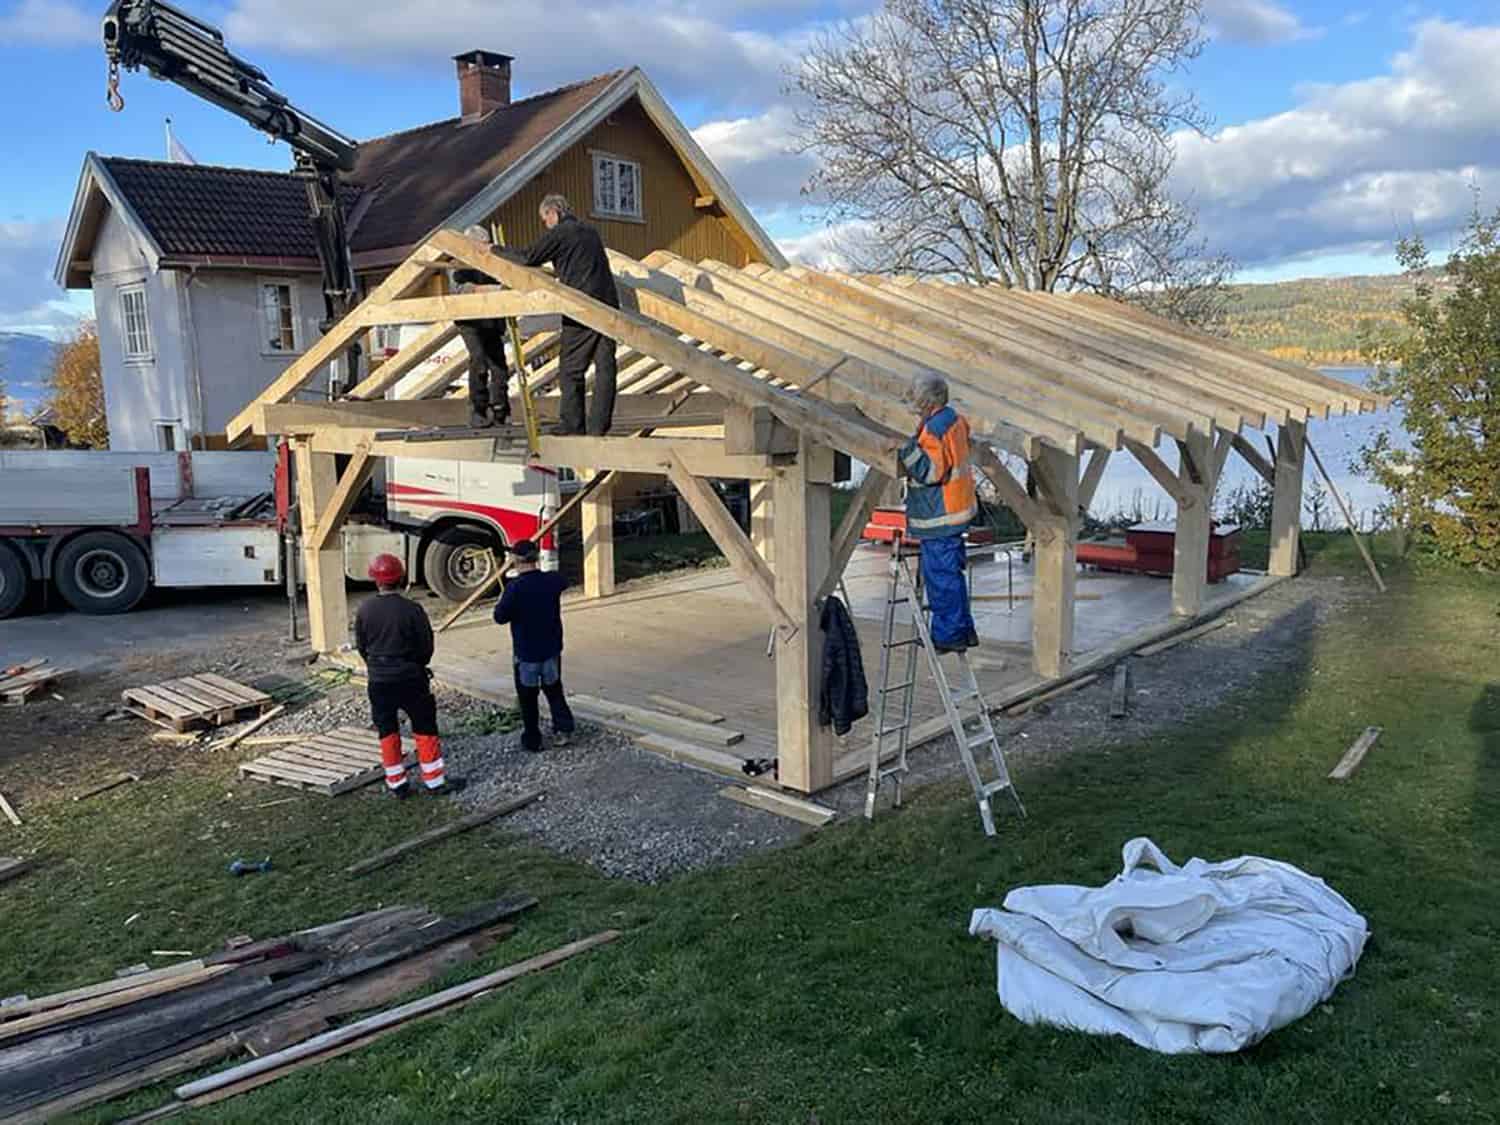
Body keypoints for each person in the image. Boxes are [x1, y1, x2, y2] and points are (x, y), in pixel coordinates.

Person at [505, 194, 619, 436]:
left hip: (581, 306)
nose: (545, 224)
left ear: (554, 213)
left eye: (545, 219)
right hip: (608, 305)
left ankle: (572, 425)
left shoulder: (561, 232)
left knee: (570, 370)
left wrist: (493, 250)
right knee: (605, 368)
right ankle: (599, 426)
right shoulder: (590, 231)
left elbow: (528, 257)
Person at [355, 553, 463, 796]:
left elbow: (361, 645)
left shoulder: (365, 609)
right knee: (424, 727)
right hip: (410, 676)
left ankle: (396, 783)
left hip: (380, 679)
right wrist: (417, 665)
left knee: (387, 730)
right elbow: (426, 645)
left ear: (376, 580)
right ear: (401, 578)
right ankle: (434, 781)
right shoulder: (412, 609)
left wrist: (376, 666)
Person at [899, 370, 980, 654]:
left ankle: (948, 636)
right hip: (957, 510)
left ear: (926, 400)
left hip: (940, 515)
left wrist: (908, 450)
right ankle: (962, 630)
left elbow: (931, 471)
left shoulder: (934, 428)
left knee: (942, 580)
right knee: (952, 577)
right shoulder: (955, 419)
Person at [493, 538, 576, 752]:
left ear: (516, 560)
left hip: (526, 653)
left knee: (528, 700)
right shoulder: (552, 580)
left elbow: (499, 617)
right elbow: (563, 581)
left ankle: (533, 740)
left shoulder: (514, 588)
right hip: (551, 649)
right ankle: (563, 729)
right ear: (536, 558)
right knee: (554, 691)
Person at [452, 225, 512, 429]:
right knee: (478, 360)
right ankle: (478, 410)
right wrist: (494, 289)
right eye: (483, 245)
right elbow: (464, 290)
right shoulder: (462, 263)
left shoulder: (494, 263)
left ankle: (500, 410)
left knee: (499, 367)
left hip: (491, 320)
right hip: (469, 321)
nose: (486, 249)